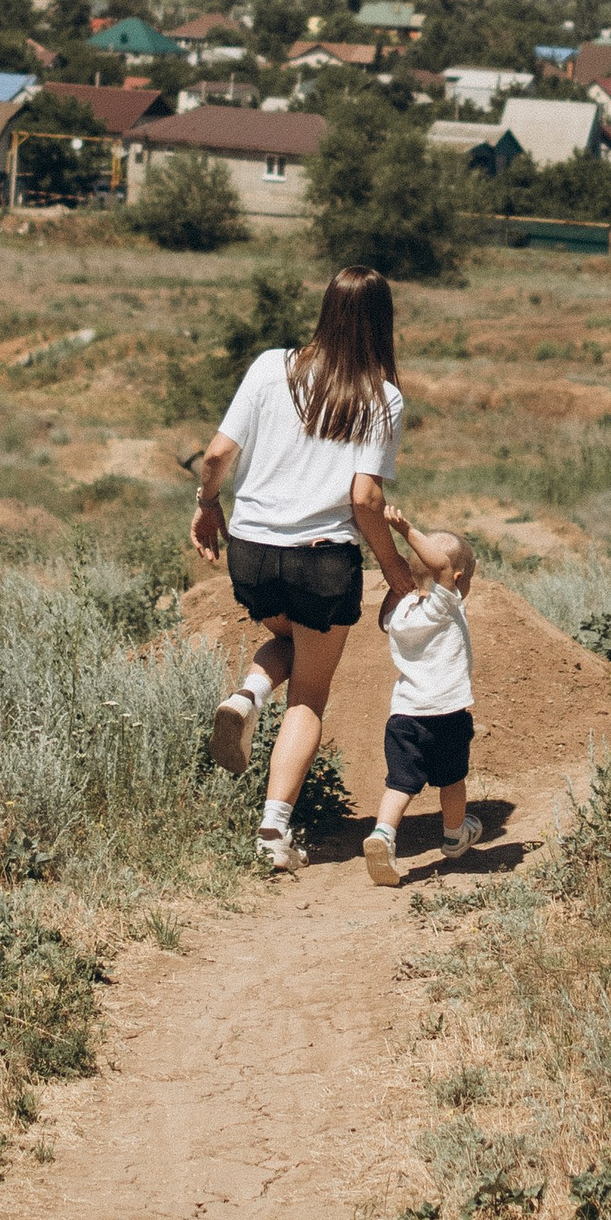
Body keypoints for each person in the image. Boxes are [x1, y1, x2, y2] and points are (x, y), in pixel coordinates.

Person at [192, 264, 412, 874]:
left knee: (288, 639)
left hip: (251, 552)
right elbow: (365, 499)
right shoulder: (382, 398)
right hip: (322, 560)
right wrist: (395, 569)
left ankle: (248, 694)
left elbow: (216, 454)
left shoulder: (271, 366)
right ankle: (272, 832)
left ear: (325, 310)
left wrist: (208, 505)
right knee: (310, 696)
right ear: (382, 322)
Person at [363, 524, 477, 884]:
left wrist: (402, 577)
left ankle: (383, 834)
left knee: (399, 784)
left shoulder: (401, 614)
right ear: (456, 580)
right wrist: (405, 530)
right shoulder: (444, 605)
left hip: (404, 716)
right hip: (446, 715)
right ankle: (455, 836)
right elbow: (441, 567)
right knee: (452, 781)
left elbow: (384, 618)